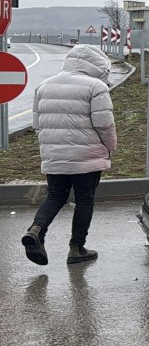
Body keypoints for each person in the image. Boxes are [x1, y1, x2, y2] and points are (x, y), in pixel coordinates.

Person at [21, 45, 117, 265]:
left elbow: (37, 125)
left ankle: (36, 230)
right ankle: (77, 249)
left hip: (54, 155)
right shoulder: (96, 86)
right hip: (87, 156)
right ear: (98, 64)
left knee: (55, 195)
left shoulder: (44, 86)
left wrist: (52, 148)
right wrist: (110, 147)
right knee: (84, 200)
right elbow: (104, 124)